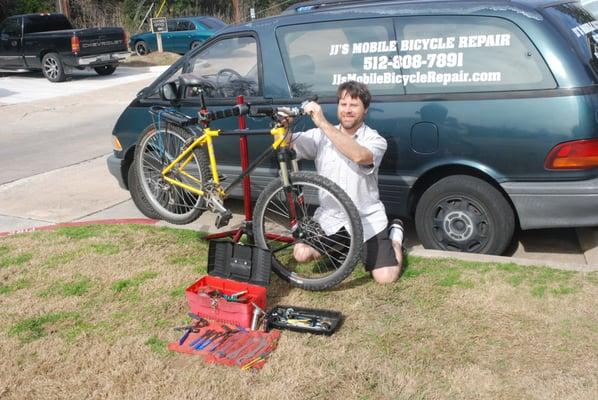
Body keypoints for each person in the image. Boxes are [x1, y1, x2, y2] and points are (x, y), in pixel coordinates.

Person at [290, 81, 404, 284]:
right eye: (343, 104)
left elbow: (360, 156)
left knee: (386, 277)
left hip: (366, 219)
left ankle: (395, 236)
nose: (347, 110)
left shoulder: (375, 139)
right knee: (301, 254)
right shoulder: (319, 136)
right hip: (331, 218)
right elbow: (288, 143)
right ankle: (343, 248)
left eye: (354, 105)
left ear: (365, 109)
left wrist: (322, 122)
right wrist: (284, 127)